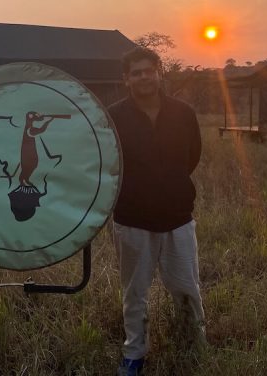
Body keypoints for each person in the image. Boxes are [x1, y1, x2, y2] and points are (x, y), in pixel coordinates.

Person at [108, 46, 205, 376]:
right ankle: (135, 352)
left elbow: (192, 156)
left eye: (149, 70)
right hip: (132, 219)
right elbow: (108, 163)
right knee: (134, 293)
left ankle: (194, 343)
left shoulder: (183, 113)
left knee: (186, 288)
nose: (144, 77)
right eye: (136, 72)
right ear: (126, 79)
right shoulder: (114, 117)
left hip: (178, 217)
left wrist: (169, 186)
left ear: (159, 72)